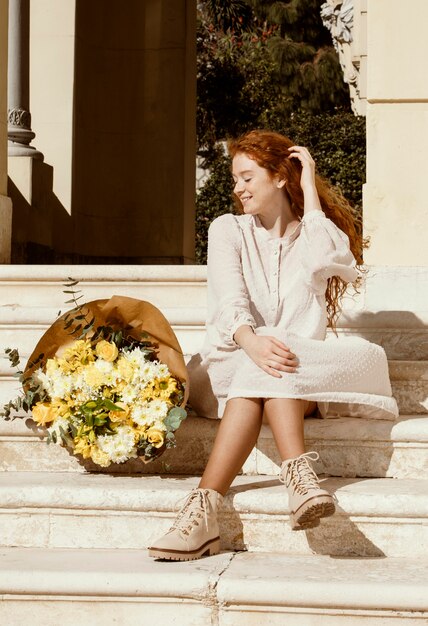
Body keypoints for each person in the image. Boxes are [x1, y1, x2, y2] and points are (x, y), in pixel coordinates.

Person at [148, 130, 398, 561]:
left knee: (292, 352)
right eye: (234, 180)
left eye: (247, 178)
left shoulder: (317, 233)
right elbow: (230, 301)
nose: (237, 189)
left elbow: (328, 261)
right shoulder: (228, 230)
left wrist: (310, 191)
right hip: (236, 360)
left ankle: (204, 514)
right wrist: (252, 341)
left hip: (299, 365)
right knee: (269, 356)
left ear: (280, 178)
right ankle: (297, 478)